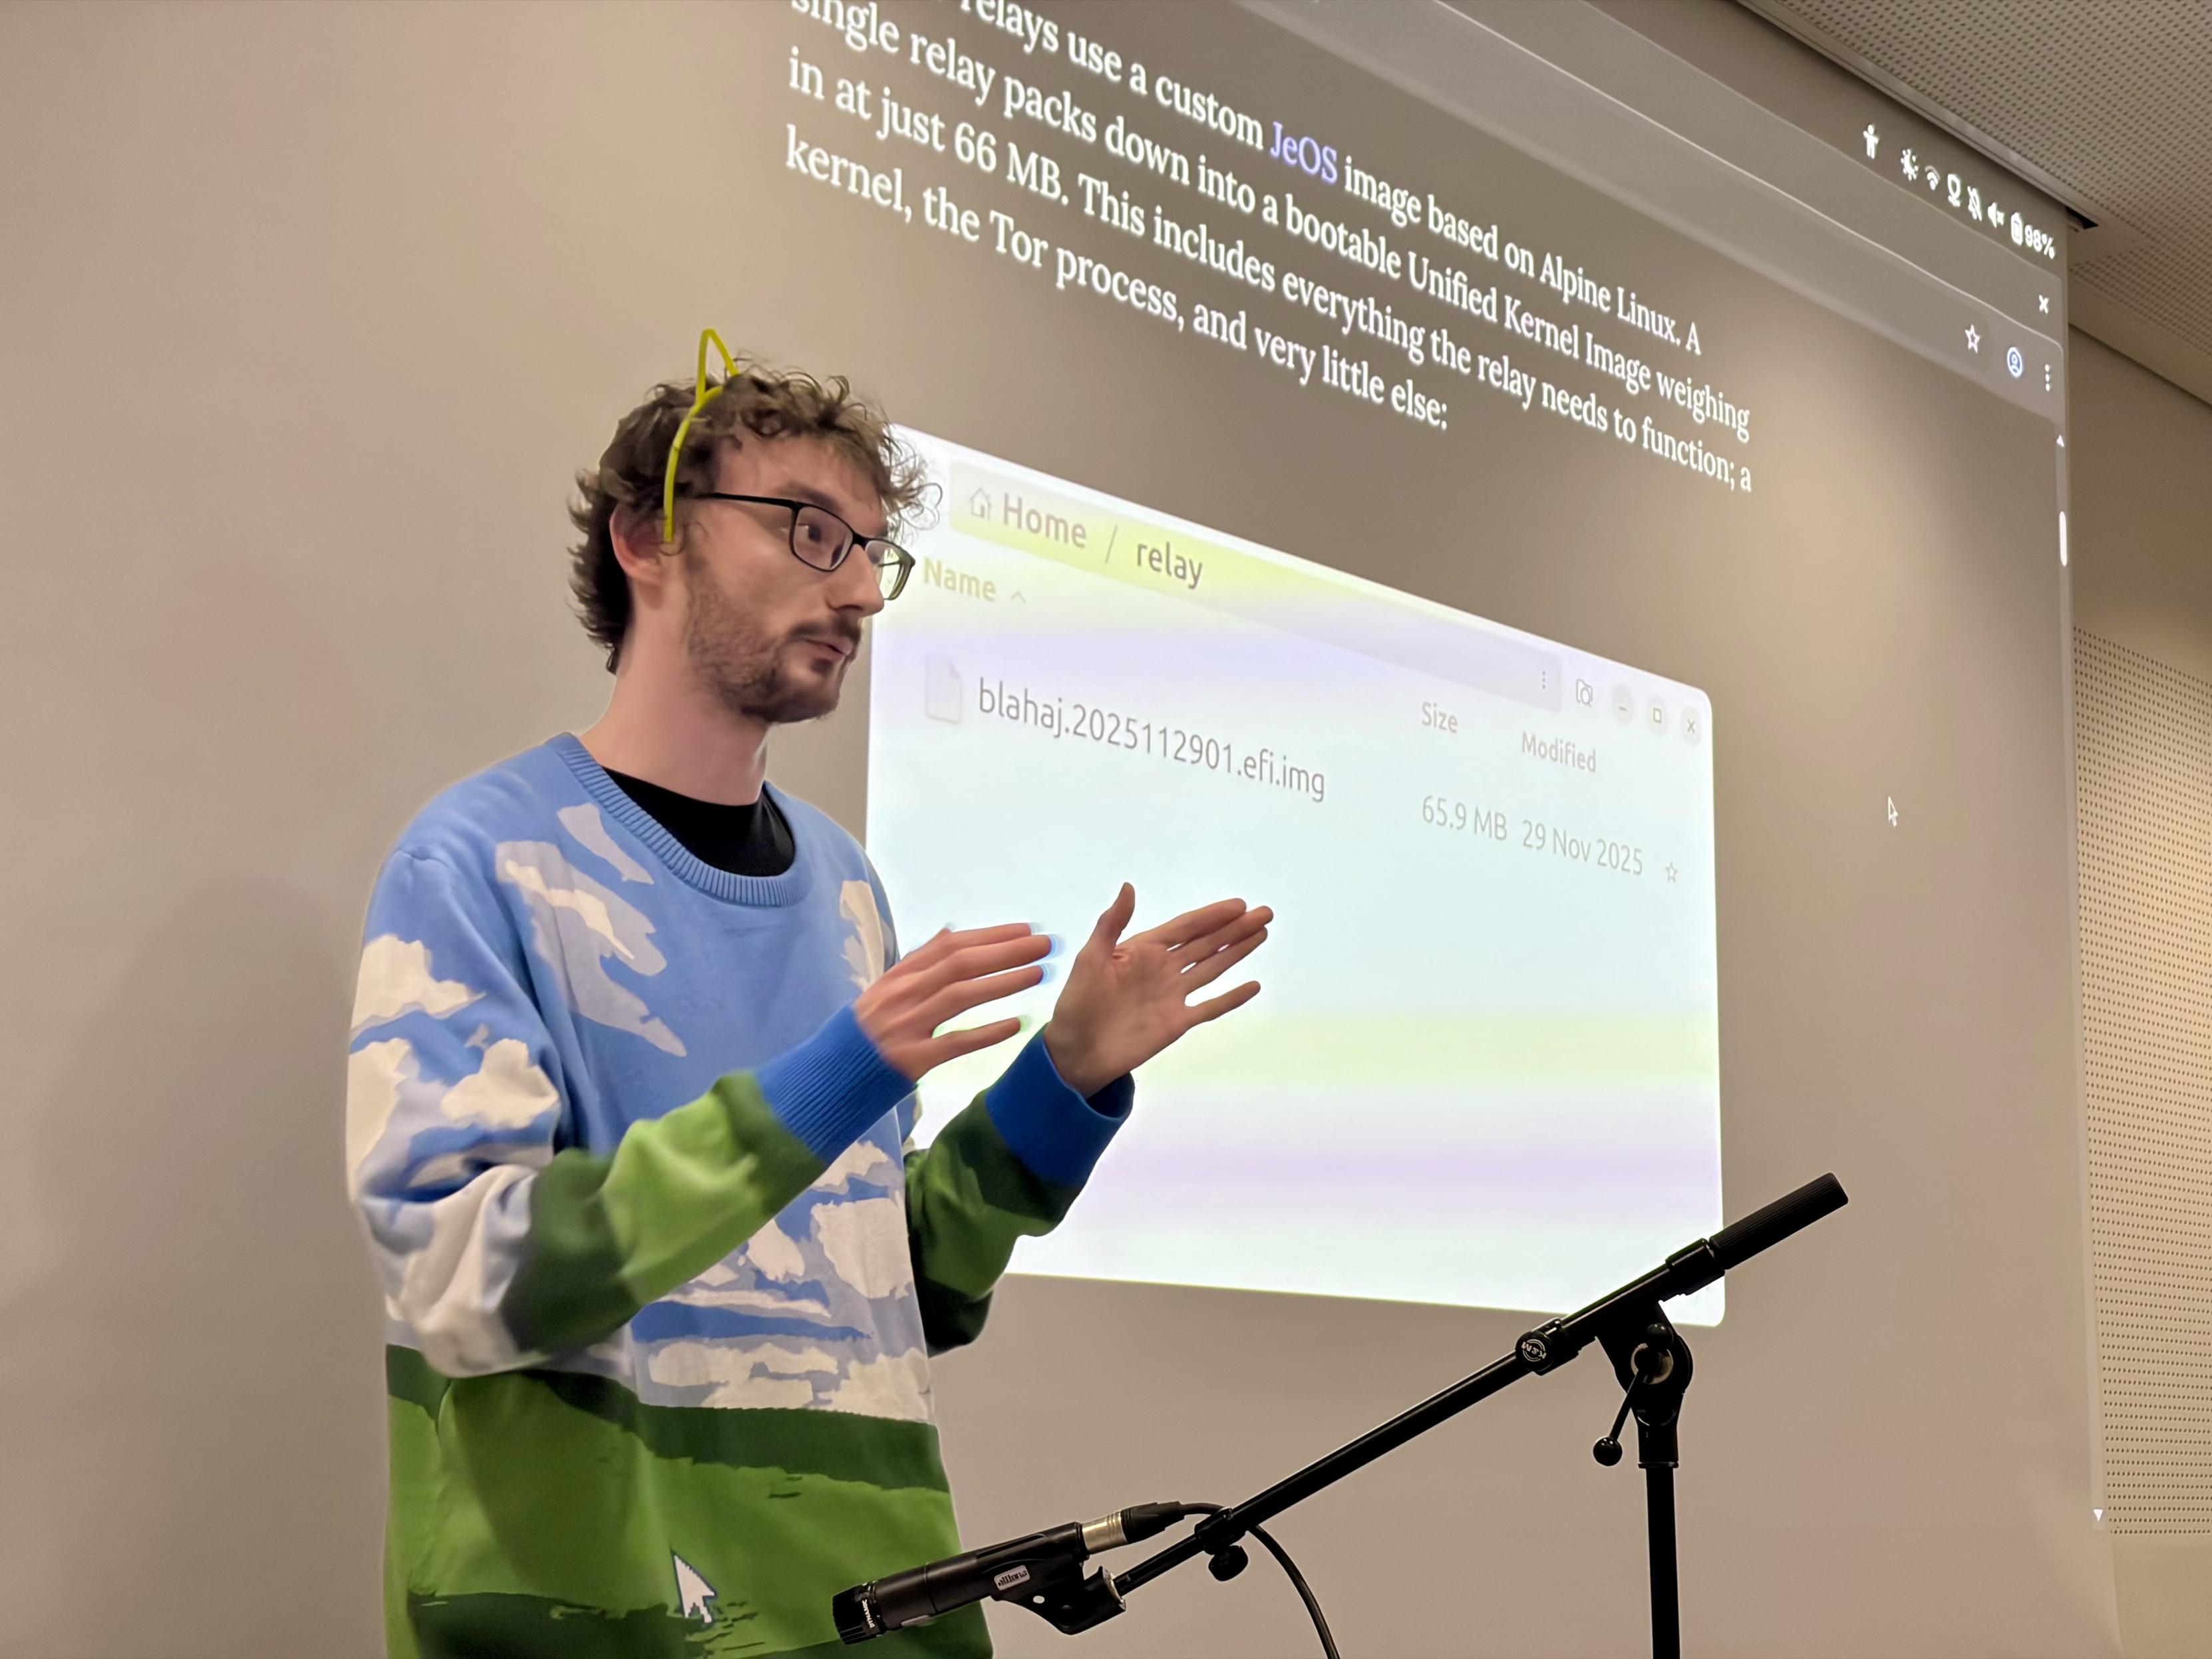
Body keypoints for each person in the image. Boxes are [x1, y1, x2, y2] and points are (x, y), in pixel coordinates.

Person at [344, 344, 1271, 1658]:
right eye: (808, 531)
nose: (856, 590)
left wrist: (1056, 1088)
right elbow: (459, 1278)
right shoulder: (480, 859)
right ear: (645, 539)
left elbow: (895, 1301)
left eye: (871, 552)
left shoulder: (845, 887)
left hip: (876, 1617)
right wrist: (830, 1073)